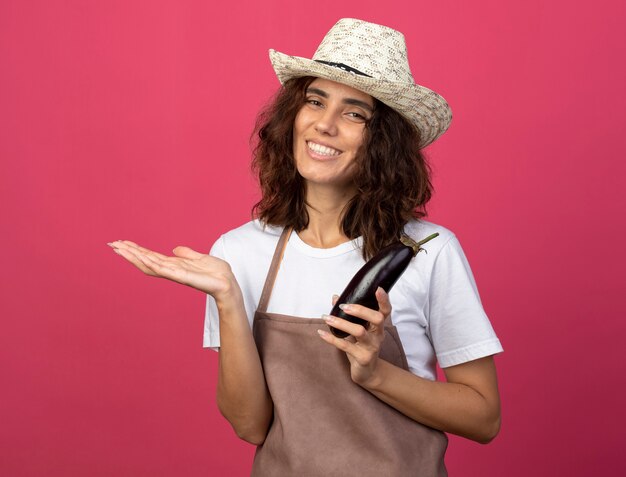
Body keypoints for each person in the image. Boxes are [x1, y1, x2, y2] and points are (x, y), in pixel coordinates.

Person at [110, 18, 503, 476]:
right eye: (315, 101)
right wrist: (228, 300)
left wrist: (376, 374)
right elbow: (250, 426)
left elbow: (484, 417)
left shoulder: (428, 252)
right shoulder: (238, 252)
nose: (325, 124)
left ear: (384, 142)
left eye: (354, 113)